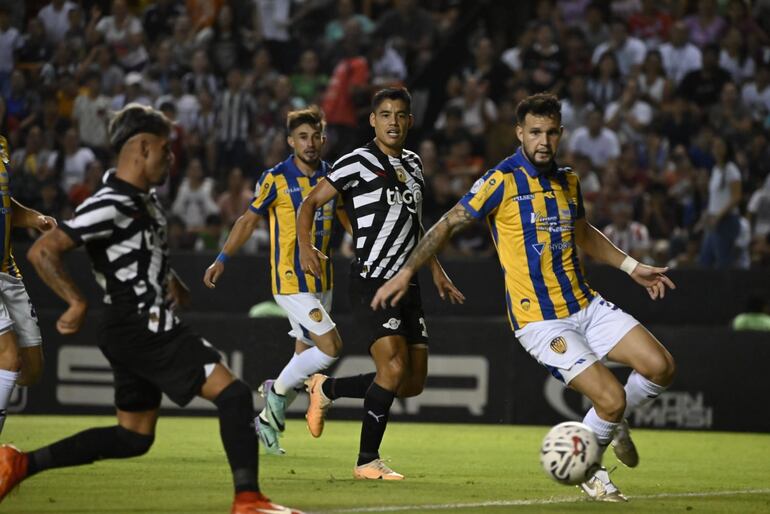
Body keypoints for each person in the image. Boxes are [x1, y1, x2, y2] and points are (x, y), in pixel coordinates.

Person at [371, 93, 676, 501]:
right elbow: (448, 223)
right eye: (535, 132)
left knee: (662, 367)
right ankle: (591, 468)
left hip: (585, 303)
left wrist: (631, 267)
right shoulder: (501, 180)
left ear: (561, 133)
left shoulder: (568, 179)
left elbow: (583, 232)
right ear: (520, 133)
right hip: (540, 320)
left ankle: (611, 420)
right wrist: (409, 270)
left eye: (551, 132)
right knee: (611, 397)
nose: (543, 141)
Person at [0, 105, 302, 514]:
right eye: (166, 150)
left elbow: (144, 253)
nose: (171, 158)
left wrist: (173, 282)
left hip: (132, 327)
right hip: (141, 323)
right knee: (232, 395)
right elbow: (44, 250)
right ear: (141, 147)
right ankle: (248, 500)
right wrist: (76, 300)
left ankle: (20, 464)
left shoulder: (145, 201)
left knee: (134, 437)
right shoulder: (112, 201)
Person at [297, 87, 464, 480]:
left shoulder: (415, 164)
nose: (393, 121)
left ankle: (327, 389)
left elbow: (416, 225)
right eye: (385, 114)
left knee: (410, 383)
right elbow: (310, 204)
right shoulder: (356, 161)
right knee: (391, 368)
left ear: (409, 120)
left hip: (410, 286)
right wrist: (306, 247)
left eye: (400, 114)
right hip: (372, 279)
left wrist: (436, 269)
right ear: (373, 120)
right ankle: (366, 461)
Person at [203, 106, 348, 455]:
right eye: (302, 137)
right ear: (289, 141)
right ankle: (277, 392)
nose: (310, 143)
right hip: (290, 281)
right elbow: (247, 221)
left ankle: (267, 421)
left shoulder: (333, 176)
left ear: (324, 139)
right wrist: (222, 258)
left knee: (303, 357)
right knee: (332, 347)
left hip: (323, 280)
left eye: (315, 136)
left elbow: (343, 215)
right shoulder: (276, 178)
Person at [0, 136, 57, 436]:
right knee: (8, 358)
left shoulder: (2, 145)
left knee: (31, 368)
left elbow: (5, 201)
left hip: (8, 272)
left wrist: (35, 218)